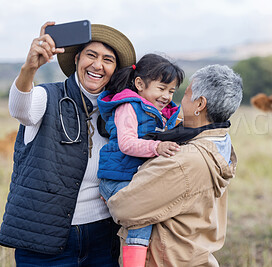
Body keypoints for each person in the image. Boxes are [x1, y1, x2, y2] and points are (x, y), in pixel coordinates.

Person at [0, 21, 136, 266]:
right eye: (91, 55)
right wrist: (29, 68)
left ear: (115, 69)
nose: (97, 65)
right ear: (76, 60)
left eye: (108, 60)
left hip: (102, 239)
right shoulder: (47, 96)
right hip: (45, 243)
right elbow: (20, 109)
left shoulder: (118, 113)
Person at [106, 64, 243, 266]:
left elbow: (124, 208)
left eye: (186, 95)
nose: (177, 101)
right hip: (190, 256)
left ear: (200, 104)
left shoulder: (184, 161)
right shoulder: (219, 139)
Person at [96, 53, 184, 267]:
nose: (167, 96)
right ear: (139, 84)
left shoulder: (161, 113)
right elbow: (126, 143)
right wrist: (157, 147)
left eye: (171, 91)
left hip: (134, 179)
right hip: (117, 179)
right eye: (161, 88)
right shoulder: (128, 107)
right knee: (141, 217)